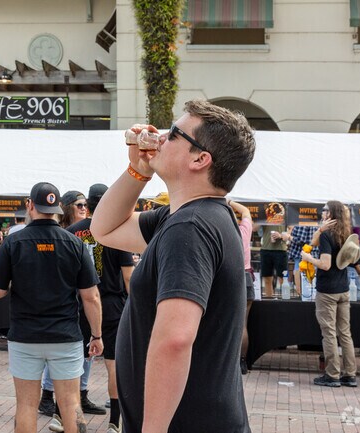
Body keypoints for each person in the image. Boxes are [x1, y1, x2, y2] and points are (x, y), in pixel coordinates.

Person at [91, 99, 255, 433]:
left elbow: (175, 338)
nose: (161, 137)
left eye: (176, 134)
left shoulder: (190, 227)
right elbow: (104, 229)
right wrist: (138, 171)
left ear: (200, 158)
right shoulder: (189, 217)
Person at [0, 181, 103, 433]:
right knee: (71, 403)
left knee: (26, 405)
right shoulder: (75, 244)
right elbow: (91, 296)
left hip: (25, 336)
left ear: (30, 205)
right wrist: (96, 334)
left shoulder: (13, 242)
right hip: (65, 336)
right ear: (58, 209)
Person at [67, 183, 135, 433]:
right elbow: (129, 278)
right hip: (112, 304)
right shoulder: (117, 233)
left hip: (78, 302)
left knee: (74, 362)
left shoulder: (73, 232)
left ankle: (67, 416)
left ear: (89, 205)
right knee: (113, 364)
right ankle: (114, 423)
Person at [301, 200, 359, 387]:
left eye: (324, 210)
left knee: (329, 334)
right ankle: (350, 375)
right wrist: (319, 229)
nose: (322, 212)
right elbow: (314, 242)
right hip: (343, 289)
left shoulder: (327, 235)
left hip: (327, 291)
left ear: (330, 212)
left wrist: (309, 258)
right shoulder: (346, 233)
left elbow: (325, 264)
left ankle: (332, 375)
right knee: (345, 334)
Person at [229, 200, 254, 374]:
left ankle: (228, 364)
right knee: (243, 324)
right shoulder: (244, 230)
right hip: (247, 278)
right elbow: (246, 212)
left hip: (231, 278)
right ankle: (242, 363)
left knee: (229, 324)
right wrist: (230, 201)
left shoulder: (223, 233)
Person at [258, 224, 288, 298]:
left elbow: (290, 233)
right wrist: (259, 218)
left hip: (281, 250)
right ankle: (269, 301)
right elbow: (254, 229)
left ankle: (286, 300)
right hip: (266, 249)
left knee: (283, 278)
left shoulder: (285, 213)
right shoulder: (264, 213)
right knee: (267, 278)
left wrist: (280, 235)